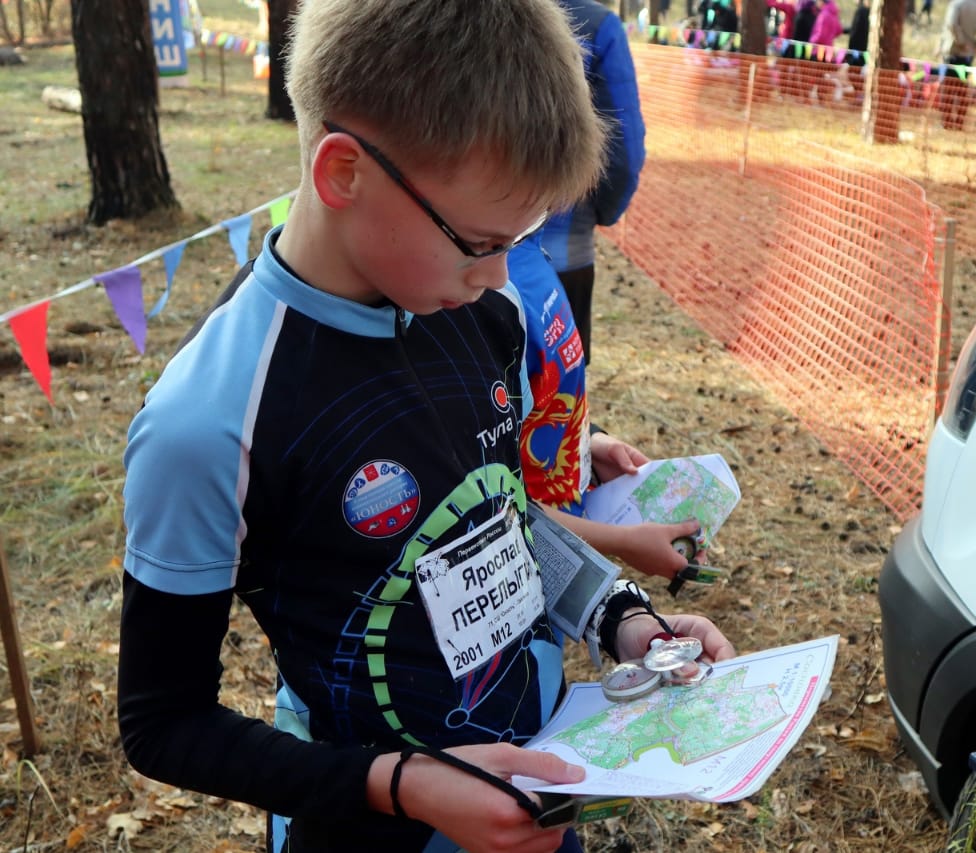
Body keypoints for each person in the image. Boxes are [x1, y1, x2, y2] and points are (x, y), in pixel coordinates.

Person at [116, 3, 735, 853]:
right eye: (478, 242)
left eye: (517, 242)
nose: (497, 275)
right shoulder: (209, 421)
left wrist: (621, 616)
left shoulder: (490, 313)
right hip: (368, 827)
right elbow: (163, 720)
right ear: (344, 172)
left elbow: (501, 515)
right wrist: (400, 785)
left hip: (539, 780)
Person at [506, 235, 699, 580]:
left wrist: (590, 445)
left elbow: (546, 400)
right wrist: (621, 541)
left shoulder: (529, 247)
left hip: (563, 536)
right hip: (522, 558)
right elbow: (494, 500)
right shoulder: (489, 288)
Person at [540, 0, 645, 370]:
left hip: (455, 253)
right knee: (558, 400)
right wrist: (602, 211)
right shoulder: (597, 24)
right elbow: (622, 153)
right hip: (561, 256)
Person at [938, 0, 976, 130]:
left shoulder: (956, 4)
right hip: (968, 54)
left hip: (953, 51)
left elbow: (951, 24)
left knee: (948, 89)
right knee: (962, 90)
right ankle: (960, 122)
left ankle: (947, 122)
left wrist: (961, 41)